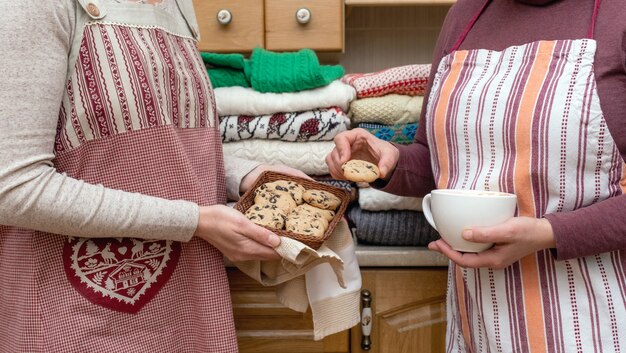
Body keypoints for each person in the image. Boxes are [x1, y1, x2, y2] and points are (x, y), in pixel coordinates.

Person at [0, 0, 310, 351]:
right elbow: (13, 188)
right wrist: (193, 221)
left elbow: (161, 146)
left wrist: (246, 176)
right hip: (77, 313)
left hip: (188, 299)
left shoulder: (177, 6)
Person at [327, 0, 626, 351]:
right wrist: (389, 161)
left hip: (594, 324)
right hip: (477, 325)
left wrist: (548, 233)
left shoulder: (616, 14)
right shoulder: (465, 15)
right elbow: (440, 165)